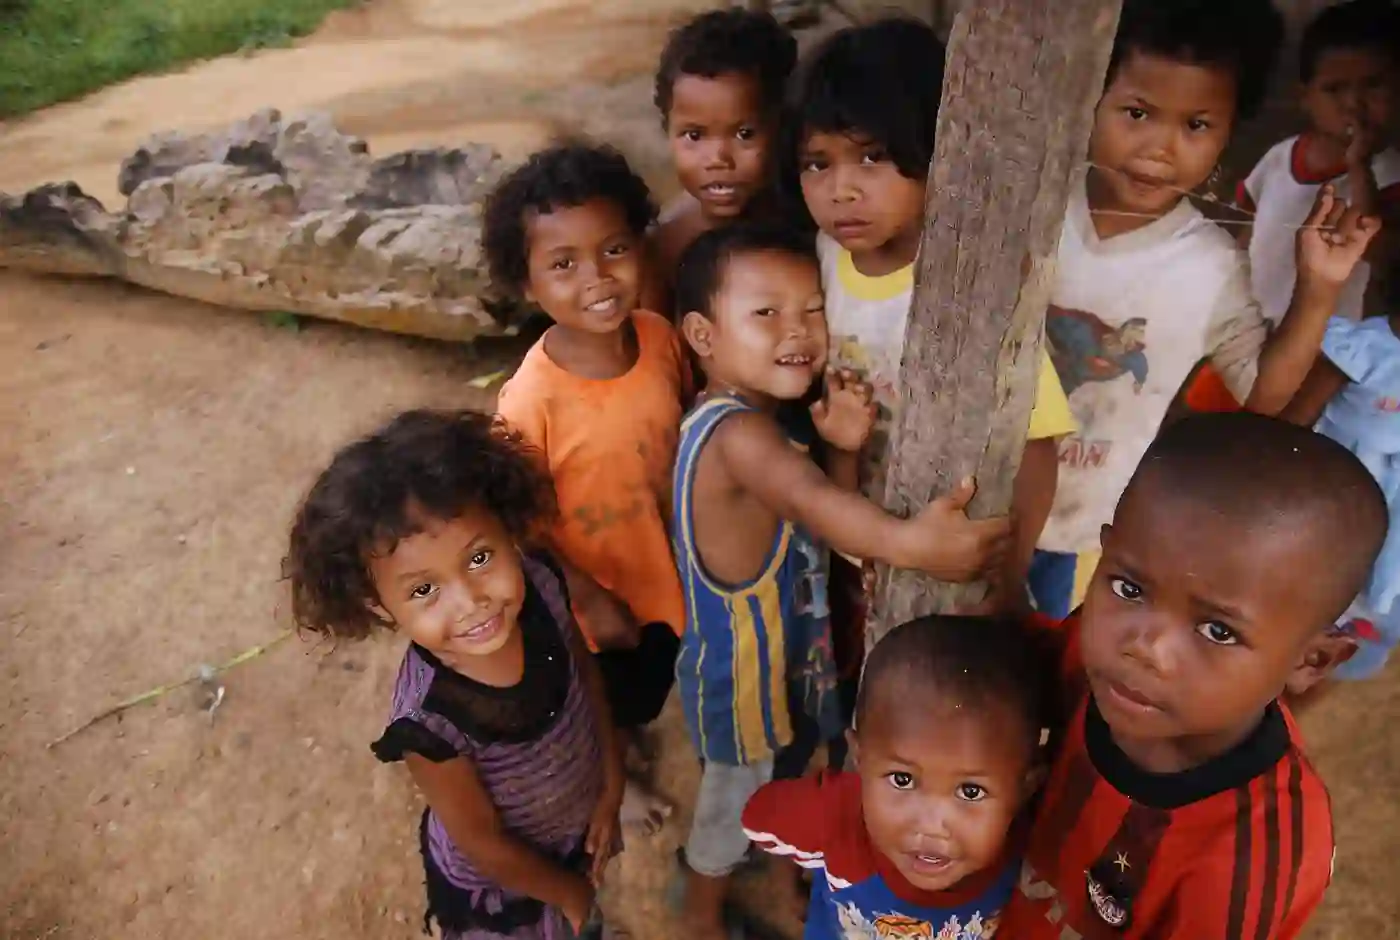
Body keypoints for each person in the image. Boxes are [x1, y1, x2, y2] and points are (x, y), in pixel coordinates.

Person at [671, 223, 1012, 940]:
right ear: (702, 335)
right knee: (732, 802)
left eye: (812, 310)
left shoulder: (769, 425)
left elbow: (821, 520)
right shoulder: (736, 436)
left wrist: (842, 450)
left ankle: (790, 870)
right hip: (741, 677)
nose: (797, 331)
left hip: (788, 658)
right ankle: (700, 915)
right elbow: (815, 503)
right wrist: (915, 546)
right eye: (766, 313)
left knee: (794, 769)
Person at [1028, 0, 1381, 618]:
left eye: (1196, 125)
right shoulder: (1033, 207)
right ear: (1092, 100)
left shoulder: (1210, 267)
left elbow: (1264, 395)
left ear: (1228, 132)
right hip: (970, 490)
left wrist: (1318, 289)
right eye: (1137, 113)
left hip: (1085, 528)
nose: (1160, 149)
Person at [999, 411, 1388, 939]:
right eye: (1130, 588)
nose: (1147, 648)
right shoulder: (1086, 657)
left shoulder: (1253, 857)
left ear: (1310, 661)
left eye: (1217, 631)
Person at [284, 409, 625, 940]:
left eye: (480, 557)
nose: (470, 602)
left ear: (508, 531)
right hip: (508, 888)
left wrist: (612, 782)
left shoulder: (542, 585)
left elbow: (583, 672)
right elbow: (483, 843)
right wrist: (570, 895)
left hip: (577, 830)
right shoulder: (428, 723)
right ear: (378, 604)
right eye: (424, 590)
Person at [789, 16, 1077, 636]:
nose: (841, 190)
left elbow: (1037, 444)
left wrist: (1007, 576)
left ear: (939, 152)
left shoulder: (971, 288)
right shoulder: (819, 261)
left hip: (961, 559)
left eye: (873, 157)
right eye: (817, 163)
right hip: (870, 550)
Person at [485, 143, 687, 834]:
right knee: (605, 697)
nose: (597, 277)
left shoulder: (660, 339)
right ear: (526, 284)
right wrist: (587, 597)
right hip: (594, 595)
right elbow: (514, 518)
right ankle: (615, 776)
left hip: (666, 568)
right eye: (563, 264)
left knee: (656, 671)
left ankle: (635, 733)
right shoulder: (529, 400)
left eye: (614, 249)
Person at [743, 615, 1052, 940]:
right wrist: (788, 881)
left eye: (971, 791)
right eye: (902, 780)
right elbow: (759, 816)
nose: (931, 826)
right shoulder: (836, 818)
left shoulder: (1032, 838)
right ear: (860, 758)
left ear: (1025, 789)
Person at [1188, 0, 1400, 412]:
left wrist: (1360, 168)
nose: (1353, 103)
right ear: (1305, 98)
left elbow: (1379, 253)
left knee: (1278, 441)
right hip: (1248, 336)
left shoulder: (1389, 173)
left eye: (1373, 85)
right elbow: (1245, 238)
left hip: (1326, 357)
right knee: (1208, 426)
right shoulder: (1280, 158)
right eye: (1334, 89)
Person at [1282, 306, 1400, 680]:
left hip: (1390, 499)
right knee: (1310, 559)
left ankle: (1333, 633)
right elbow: (1296, 418)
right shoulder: (1364, 347)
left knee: (1368, 569)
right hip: (1336, 478)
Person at [649, 7, 798, 300]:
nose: (718, 158)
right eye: (694, 135)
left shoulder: (805, 219)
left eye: (744, 134)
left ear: (783, 126)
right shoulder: (666, 245)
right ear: (667, 129)